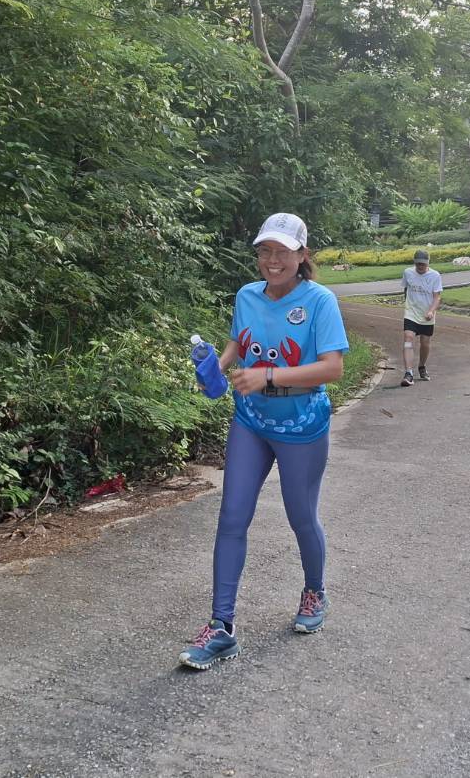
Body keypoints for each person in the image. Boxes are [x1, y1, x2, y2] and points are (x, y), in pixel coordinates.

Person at [180, 212, 349, 670]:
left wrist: (268, 376)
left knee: (301, 517)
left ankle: (314, 591)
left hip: (301, 424)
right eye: (264, 251)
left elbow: (333, 368)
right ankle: (221, 628)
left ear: (302, 255)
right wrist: (213, 369)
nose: (272, 261)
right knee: (232, 517)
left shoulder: (319, 301)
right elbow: (238, 346)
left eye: (282, 252)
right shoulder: (247, 296)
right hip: (251, 420)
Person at [399, 249, 443, 386]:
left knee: (425, 343)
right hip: (411, 313)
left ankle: (422, 366)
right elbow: (405, 289)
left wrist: (431, 311)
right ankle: (408, 373)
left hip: (427, 315)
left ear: (428, 263)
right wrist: (408, 305)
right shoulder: (408, 272)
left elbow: (437, 297)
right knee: (408, 339)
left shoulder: (435, 276)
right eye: (418, 264)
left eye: (423, 264)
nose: (420, 266)